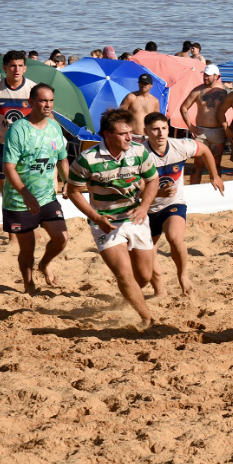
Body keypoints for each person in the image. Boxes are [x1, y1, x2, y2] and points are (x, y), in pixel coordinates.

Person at [66, 109, 160, 329]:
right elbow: (73, 192)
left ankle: (130, 296)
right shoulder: (87, 159)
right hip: (105, 222)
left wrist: (145, 206)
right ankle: (147, 318)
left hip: (136, 217)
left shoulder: (139, 152)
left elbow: (153, 181)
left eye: (130, 132)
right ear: (107, 135)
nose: (129, 137)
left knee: (144, 277)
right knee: (124, 274)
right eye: (122, 134)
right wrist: (96, 217)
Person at [143, 112, 224, 297]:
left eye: (164, 128)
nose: (161, 133)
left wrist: (215, 175)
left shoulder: (179, 146)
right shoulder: (139, 154)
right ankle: (159, 290)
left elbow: (204, 150)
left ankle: (183, 276)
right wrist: (156, 192)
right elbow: (134, 188)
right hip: (146, 208)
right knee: (149, 253)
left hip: (173, 203)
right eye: (155, 129)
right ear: (146, 131)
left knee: (174, 237)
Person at [1, 84, 70, 295]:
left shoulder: (54, 127)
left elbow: (62, 158)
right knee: (28, 247)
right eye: (42, 100)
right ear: (30, 103)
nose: (47, 105)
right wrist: (25, 193)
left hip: (47, 196)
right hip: (19, 199)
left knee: (62, 238)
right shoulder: (18, 129)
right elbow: (8, 167)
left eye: (50, 100)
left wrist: (67, 180)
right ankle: (29, 284)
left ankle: (44, 263)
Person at [0, 50, 38, 180]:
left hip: (29, 146)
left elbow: (45, 119)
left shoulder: (34, 89)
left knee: (28, 188)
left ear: (25, 68)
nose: (17, 69)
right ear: (5, 68)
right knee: (6, 191)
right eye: (13, 66)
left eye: (20, 66)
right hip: (3, 145)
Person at [180, 63, 228, 184]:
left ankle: (217, 191)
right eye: (204, 75)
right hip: (201, 132)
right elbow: (184, 107)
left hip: (218, 131)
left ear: (217, 76)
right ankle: (194, 188)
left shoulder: (224, 91)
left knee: (216, 165)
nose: (205, 78)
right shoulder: (197, 91)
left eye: (208, 76)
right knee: (198, 164)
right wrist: (190, 127)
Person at [119, 73, 161, 140]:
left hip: (148, 137)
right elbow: (120, 116)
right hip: (132, 136)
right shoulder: (131, 97)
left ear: (151, 85)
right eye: (141, 83)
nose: (143, 85)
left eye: (145, 83)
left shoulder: (155, 101)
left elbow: (157, 121)